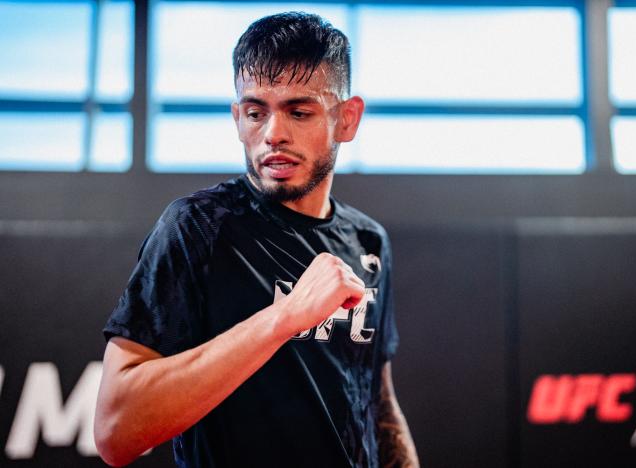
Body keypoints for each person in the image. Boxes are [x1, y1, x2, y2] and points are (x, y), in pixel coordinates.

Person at [94, 11, 419, 468]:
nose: (273, 135)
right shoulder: (197, 227)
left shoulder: (368, 240)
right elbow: (115, 431)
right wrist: (284, 317)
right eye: (254, 112)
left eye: (299, 112)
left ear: (347, 119)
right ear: (237, 117)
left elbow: (377, 403)